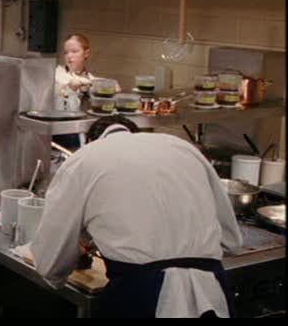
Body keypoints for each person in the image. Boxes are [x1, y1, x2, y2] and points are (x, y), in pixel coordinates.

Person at [32, 115, 242, 318]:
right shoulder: (184, 148)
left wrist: (59, 275)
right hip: (210, 293)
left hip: (142, 296)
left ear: (90, 141)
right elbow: (231, 240)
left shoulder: (84, 159)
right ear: (136, 133)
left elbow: (50, 262)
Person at [55, 34, 96, 112]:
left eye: (74, 51)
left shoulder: (90, 79)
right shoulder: (56, 75)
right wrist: (71, 89)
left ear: (86, 53)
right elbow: (57, 107)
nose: (69, 56)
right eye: (66, 52)